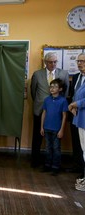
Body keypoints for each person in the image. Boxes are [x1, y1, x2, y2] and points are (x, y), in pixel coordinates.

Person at [30, 52, 69, 168]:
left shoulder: (64, 74)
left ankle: (54, 163)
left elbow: (66, 92)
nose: (53, 64)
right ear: (45, 62)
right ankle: (35, 161)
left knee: (55, 140)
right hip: (40, 109)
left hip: (57, 111)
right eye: (50, 62)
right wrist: (40, 102)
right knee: (37, 137)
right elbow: (33, 92)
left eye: (55, 62)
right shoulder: (37, 74)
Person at [40, 78, 68, 176]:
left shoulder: (63, 101)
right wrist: (41, 127)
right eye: (51, 86)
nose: (52, 88)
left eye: (55, 87)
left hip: (56, 129)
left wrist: (61, 130)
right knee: (48, 148)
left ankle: (56, 167)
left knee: (56, 148)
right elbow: (44, 113)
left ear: (60, 89)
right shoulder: (47, 100)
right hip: (47, 128)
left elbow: (64, 116)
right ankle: (47, 165)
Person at [68, 53, 85, 190]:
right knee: (80, 146)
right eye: (78, 61)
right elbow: (74, 95)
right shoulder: (76, 77)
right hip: (77, 116)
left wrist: (76, 104)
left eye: (82, 61)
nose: (79, 63)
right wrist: (73, 107)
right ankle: (81, 171)